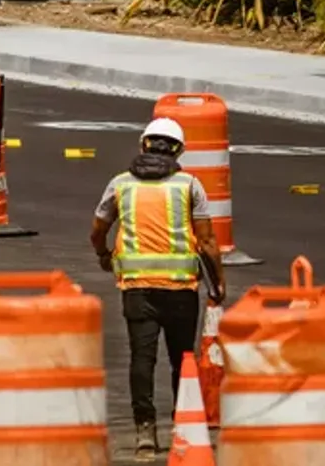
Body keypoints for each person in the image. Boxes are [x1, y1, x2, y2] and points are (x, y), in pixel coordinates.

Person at [89, 117, 226, 461]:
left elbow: (97, 228)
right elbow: (207, 241)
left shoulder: (120, 185)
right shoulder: (189, 186)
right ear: (179, 150)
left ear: (143, 145)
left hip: (137, 289)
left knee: (142, 359)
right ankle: (183, 428)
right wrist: (218, 283)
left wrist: (104, 255)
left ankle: (144, 434)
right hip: (181, 290)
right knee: (183, 360)